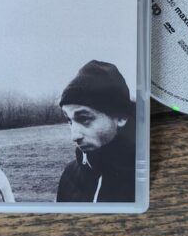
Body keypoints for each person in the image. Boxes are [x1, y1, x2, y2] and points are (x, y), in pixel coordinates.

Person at [56, 60, 136, 203]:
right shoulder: (69, 174)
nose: (74, 136)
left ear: (121, 117)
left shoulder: (142, 176)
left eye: (84, 118)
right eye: (69, 120)